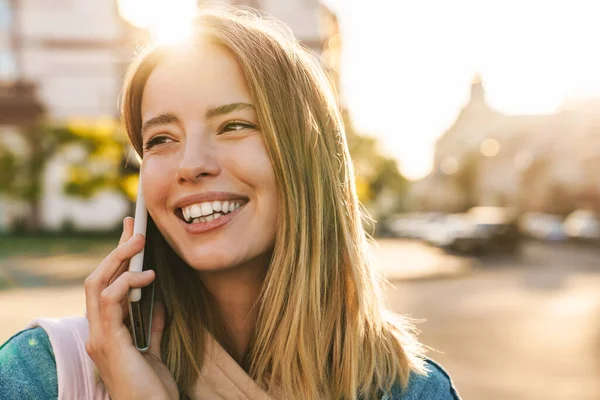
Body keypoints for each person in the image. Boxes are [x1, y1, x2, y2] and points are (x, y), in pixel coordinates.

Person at [0, 6, 461, 400]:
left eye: (234, 126)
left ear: (307, 159)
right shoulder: (40, 375)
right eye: (161, 138)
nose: (191, 164)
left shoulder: (406, 389)